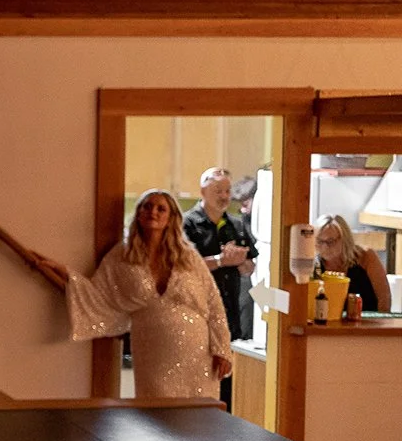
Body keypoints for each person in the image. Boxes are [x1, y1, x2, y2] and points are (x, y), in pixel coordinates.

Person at [41, 189, 232, 400]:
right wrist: (66, 274)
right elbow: (97, 293)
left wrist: (222, 349)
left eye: (161, 209)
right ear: (139, 214)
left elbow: (214, 304)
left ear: (170, 218)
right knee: (155, 415)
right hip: (151, 347)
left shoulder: (187, 256)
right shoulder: (122, 255)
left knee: (198, 418)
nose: (154, 212)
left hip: (197, 350)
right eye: (147, 207)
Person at [182, 167, 257, 406]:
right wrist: (221, 260)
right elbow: (184, 267)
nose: (225, 196)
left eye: (227, 191)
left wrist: (242, 262)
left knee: (226, 388)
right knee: (198, 385)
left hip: (229, 317)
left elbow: (250, 267)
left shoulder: (235, 224)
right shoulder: (187, 224)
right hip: (197, 316)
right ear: (203, 191)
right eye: (218, 191)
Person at [315, 214, 392, 313]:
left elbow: (384, 299)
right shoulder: (313, 266)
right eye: (320, 241)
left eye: (331, 241)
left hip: (369, 323)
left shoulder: (366, 257)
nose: (325, 247)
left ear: (344, 239)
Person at [230, 175, 259, 341]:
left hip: (259, 284)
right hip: (249, 284)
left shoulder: (265, 222)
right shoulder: (242, 223)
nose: (242, 210)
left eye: (246, 204)